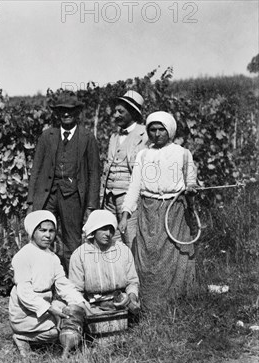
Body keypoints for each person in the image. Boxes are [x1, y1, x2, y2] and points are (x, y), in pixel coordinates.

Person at [118, 111, 198, 312]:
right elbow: (134, 186)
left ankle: (175, 304)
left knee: (174, 256)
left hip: (175, 211)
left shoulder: (182, 153)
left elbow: (190, 182)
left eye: (161, 129)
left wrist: (190, 191)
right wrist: (125, 214)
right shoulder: (143, 155)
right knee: (148, 256)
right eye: (152, 130)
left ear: (169, 131)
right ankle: (149, 306)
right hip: (148, 211)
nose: (156, 134)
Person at [27, 92, 101, 272]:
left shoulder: (87, 137)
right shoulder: (47, 136)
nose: (65, 114)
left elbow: (94, 173)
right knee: (43, 237)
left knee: (72, 241)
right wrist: (31, 201)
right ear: (57, 113)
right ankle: (43, 281)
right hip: (47, 196)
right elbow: (36, 170)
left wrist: (91, 205)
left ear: (77, 113)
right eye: (61, 111)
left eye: (69, 111)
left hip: (73, 197)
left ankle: (73, 283)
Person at [8, 210, 87, 357]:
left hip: (44, 307)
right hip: (25, 309)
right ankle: (22, 337)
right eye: (42, 230)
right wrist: (49, 309)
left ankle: (51, 335)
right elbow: (24, 293)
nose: (47, 235)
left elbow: (63, 284)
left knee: (71, 314)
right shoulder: (23, 256)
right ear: (32, 232)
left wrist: (80, 302)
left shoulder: (53, 257)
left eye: (51, 231)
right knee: (56, 332)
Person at [100, 91, 148, 248]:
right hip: (109, 198)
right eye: (115, 111)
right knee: (112, 240)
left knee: (130, 238)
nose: (116, 115)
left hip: (129, 198)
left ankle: (134, 272)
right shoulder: (114, 136)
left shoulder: (145, 134)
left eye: (121, 111)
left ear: (133, 113)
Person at [69, 209, 140, 315]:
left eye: (111, 230)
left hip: (121, 302)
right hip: (92, 305)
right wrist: (85, 307)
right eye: (103, 229)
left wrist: (132, 297)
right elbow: (75, 289)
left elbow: (132, 282)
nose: (108, 234)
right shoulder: (79, 254)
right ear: (94, 229)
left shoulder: (122, 250)